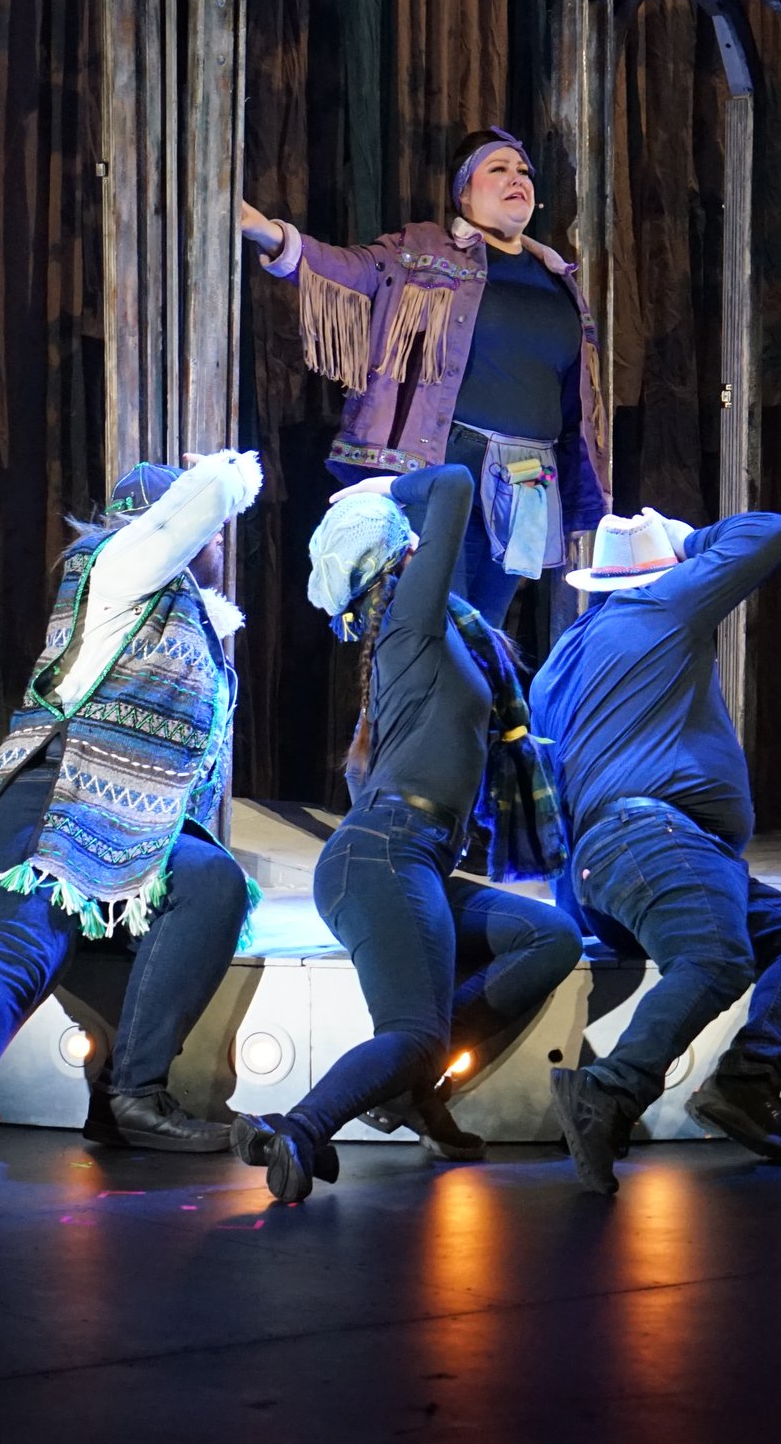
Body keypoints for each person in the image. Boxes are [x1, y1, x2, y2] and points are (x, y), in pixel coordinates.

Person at [0, 452, 262, 1194]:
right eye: (206, 531)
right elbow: (194, 508)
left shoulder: (187, 624)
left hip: (119, 834)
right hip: (43, 813)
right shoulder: (114, 573)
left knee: (212, 881)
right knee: (18, 958)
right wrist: (224, 471)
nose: (218, 542)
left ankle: (133, 1094)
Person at [232, 464, 583, 1203]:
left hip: (404, 857)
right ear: (396, 555)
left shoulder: (413, 640)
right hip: (388, 853)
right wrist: (382, 490)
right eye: (410, 543)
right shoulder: (411, 620)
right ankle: (298, 1127)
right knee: (415, 1030)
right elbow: (454, 483)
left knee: (549, 938)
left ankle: (411, 1086)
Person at [529, 507, 781, 1194]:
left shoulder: (561, 660)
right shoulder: (662, 605)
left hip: (611, 870)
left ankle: (745, 1083)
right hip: (656, 840)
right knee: (715, 956)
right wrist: (689, 540)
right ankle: (608, 1093)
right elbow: (772, 532)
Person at [239, 127, 611, 626]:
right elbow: (348, 268)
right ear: (464, 193)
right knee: (430, 623)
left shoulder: (558, 279)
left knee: (485, 632)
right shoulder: (423, 252)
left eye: (523, 171)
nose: (516, 179)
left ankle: (478, 706)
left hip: (528, 476)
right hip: (448, 461)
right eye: (497, 169)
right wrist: (271, 234)